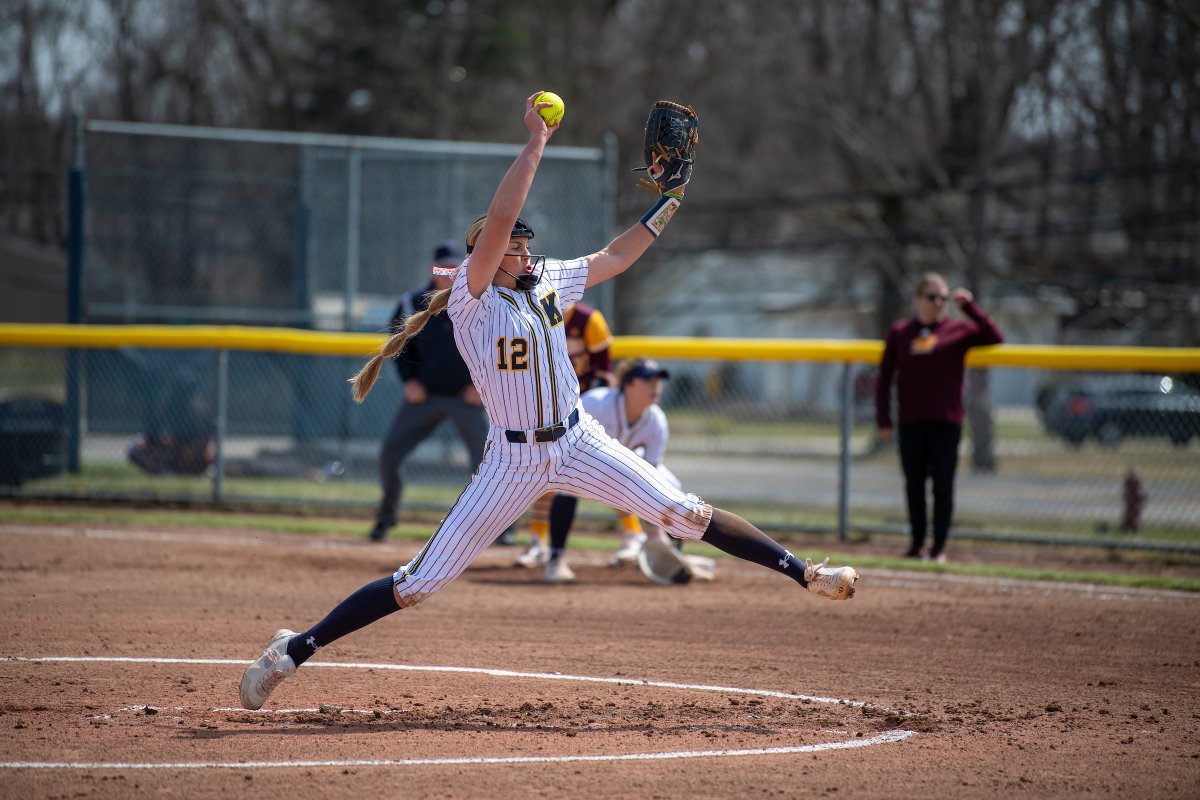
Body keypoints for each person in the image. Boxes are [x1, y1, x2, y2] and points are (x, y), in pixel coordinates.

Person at [240, 92, 858, 711]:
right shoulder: (472, 300)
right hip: (509, 464)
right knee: (419, 584)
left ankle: (806, 573)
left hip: (576, 439)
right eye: (514, 246)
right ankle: (293, 650)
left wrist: (670, 201)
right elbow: (502, 215)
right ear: (488, 254)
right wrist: (536, 140)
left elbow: (618, 255)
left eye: (526, 245)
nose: (526, 252)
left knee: (683, 511)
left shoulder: (548, 280)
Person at [367, 240, 493, 543]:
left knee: (491, 463)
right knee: (389, 453)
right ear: (432, 269)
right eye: (442, 266)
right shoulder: (412, 303)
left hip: (467, 398)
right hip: (424, 396)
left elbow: (494, 345)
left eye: (454, 266)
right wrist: (409, 381)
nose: (447, 272)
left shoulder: (479, 300)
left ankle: (498, 528)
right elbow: (397, 345)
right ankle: (386, 518)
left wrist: (481, 386)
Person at [874, 272, 1004, 563]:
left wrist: (969, 307)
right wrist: (884, 419)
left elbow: (995, 337)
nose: (939, 303)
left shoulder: (957, 330)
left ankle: (938, 548)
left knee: (943, 485)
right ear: (918, 300)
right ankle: (917, 544)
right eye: (932, 297)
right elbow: (884, 380)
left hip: (947, 422)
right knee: (914, 485)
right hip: (911, 422)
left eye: (943, 297)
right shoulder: (900, 332)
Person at [541, 357, 681, 584]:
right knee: (568, 487)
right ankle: (555, 559)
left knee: (671, 484)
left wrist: (656, 531)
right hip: (579, 460)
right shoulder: (596, 403)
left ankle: (672, 553)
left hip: (620, 465)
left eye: (658, 381)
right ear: (628, 385)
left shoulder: (656, 419)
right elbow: (566, 440)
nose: (655, 387)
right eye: (648, 381)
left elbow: (652, 473)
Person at [511, 299, 617, 568]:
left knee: (613, 472)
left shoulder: (587, 319)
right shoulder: (531, 315)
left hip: (587, 408)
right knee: (542, 474)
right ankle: (538, 542)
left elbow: (605, 373)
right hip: (546, 408)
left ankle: (634, 537)